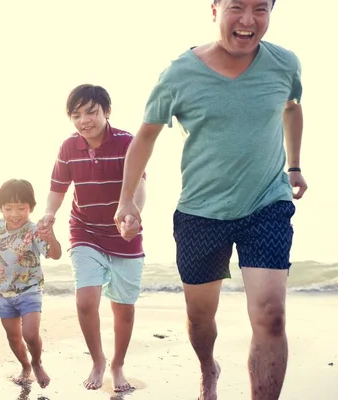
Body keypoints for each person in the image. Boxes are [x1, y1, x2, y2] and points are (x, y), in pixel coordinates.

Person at [114, 1, 308, 399]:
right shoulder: (179, 74)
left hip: (267, 205)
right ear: (215, 9)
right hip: (201, 213)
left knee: (270, 316)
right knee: (201, 320)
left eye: (261, 9)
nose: (249, 20)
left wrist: (294, 165)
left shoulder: (285, 64)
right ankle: (208, 367)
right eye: (237, 6)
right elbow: (145, 137)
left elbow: (292, 107)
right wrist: (126, 201)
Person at [38, 84, 147, 393]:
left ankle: (117, 364)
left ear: (106, 111)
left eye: (91, 112)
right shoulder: (68, 147)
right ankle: (98, 361)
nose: (84, 120)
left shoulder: (128, 142)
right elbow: (58, 188)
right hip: (84, 230)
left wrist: (133, 214)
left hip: (124, 233)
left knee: (123, 307)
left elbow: (139, 185)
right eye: (76, 115)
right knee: (86, 301)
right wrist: (49, 214)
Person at [0, 179, 61, 389]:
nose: (14, 214)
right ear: (1, 208)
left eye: (21, 208)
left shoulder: (34, 230)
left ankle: (37, 362)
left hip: (30, 289)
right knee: (13, 338)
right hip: (2, 292)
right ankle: (25, 366)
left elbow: (55, 254)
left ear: (31, 207)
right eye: (8, 208)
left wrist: (51, 236)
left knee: (30, 334)